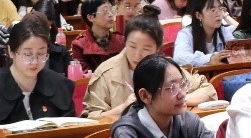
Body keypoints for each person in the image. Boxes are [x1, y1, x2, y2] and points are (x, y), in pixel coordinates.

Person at [110, 54, 240, 138]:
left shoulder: (189, 121)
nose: (182, 94)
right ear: (145, 96)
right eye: (172, 88)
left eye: (183, 85)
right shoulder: (127, 130)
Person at [86, 14, 214, 121]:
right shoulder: (106, 72)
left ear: (158, 49)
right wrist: (123, 107)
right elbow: (91, 118)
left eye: (146, 49)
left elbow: (208, 91)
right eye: (132, 46)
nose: (137, 55)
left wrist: (177, 99)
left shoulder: (167, 67)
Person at [173, 0, 235, 67]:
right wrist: (210, 59)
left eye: (220, 9)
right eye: (213, 10)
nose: (219, 14)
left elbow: (235, 53)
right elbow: (179, 58)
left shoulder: (227, 31)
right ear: (198, 15)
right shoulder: (186, 33)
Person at [69, 0, 124, 72]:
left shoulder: (121, 40)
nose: (110, 14)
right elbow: (84, 75)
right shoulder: (79, 45)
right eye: (105, 11)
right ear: (91, 17)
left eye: (111, 9)